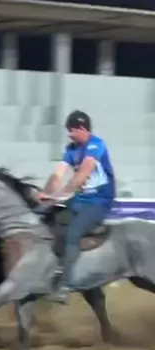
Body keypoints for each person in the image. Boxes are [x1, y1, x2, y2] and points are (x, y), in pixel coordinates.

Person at [38, 110, 116, 304]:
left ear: (82, 128)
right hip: (80, 199)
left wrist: (60, 195)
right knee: (49, 219)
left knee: (73, 233)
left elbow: (82, 174)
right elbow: (58, 174)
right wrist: (46, 192)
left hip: (99, 201)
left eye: (71, 130)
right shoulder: (71, 148)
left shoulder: (96, 145)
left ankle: (65, 285)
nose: (69, 135)